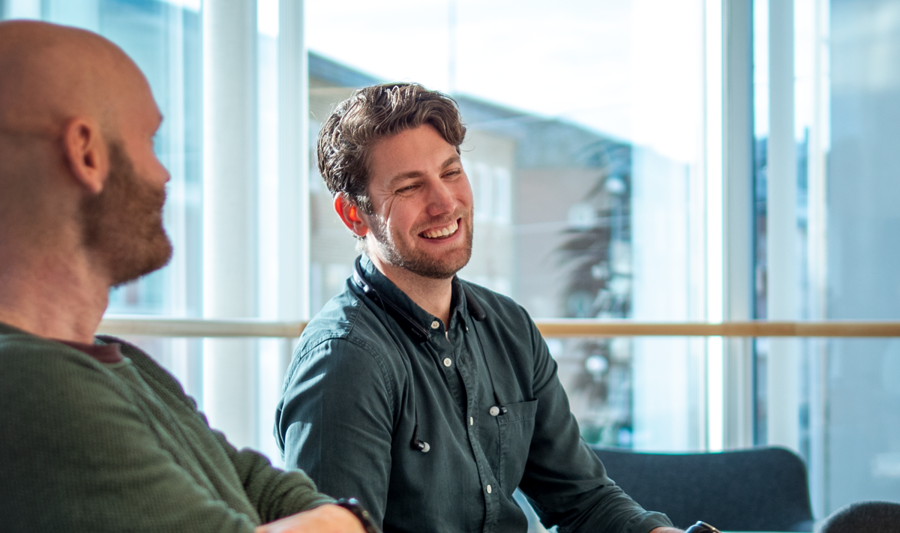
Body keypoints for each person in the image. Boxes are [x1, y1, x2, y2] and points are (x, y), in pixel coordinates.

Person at [0, 20, 378, 533]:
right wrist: (341, 522)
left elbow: (264, 486)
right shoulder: (34, 387)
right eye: (149, 141)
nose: (165, 173)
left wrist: (329, 518)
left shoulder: (123, 364)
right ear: (87, 154)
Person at [275, 82, 681, 533]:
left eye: (451, 172)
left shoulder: (509, 327)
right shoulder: (344, 360)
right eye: (410, 187)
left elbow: (583, 501)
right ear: (354, 214)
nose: (445, 203)